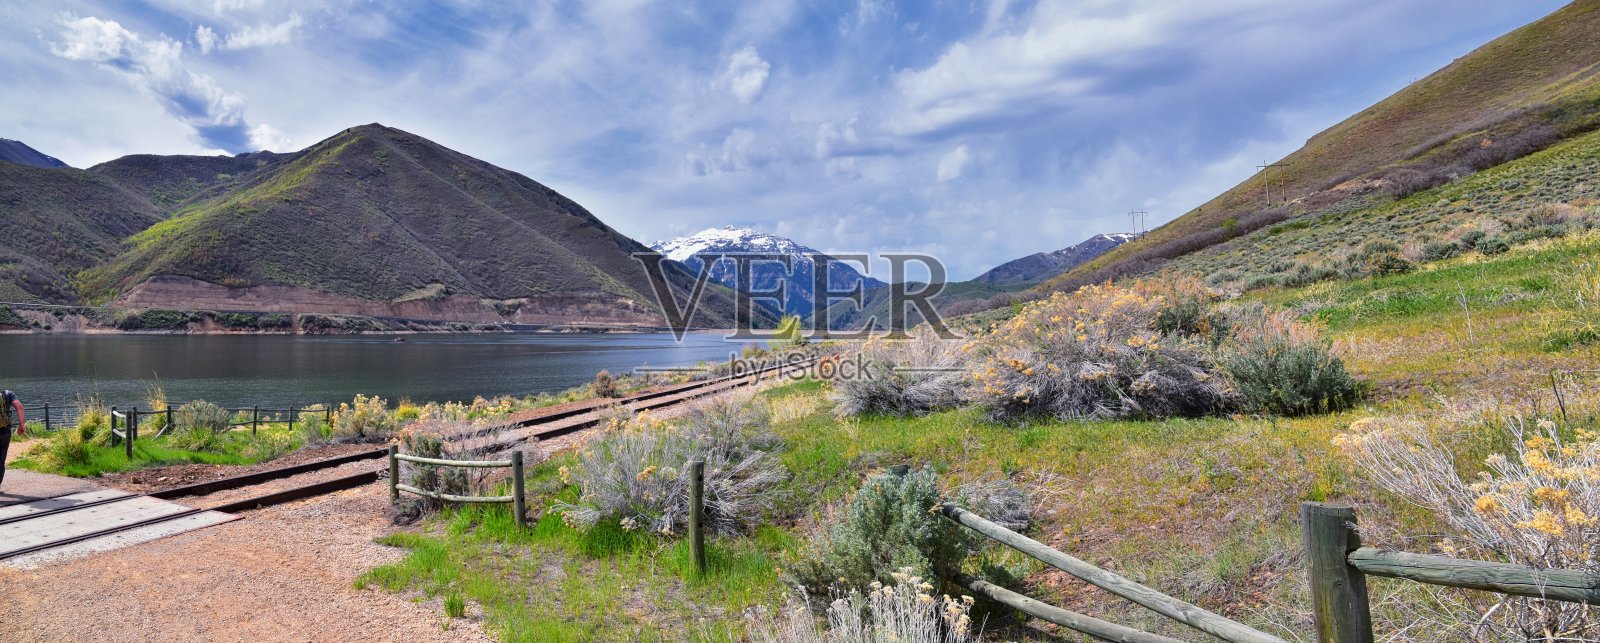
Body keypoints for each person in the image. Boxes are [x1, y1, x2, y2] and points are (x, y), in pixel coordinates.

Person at [0, 390, 23, 489]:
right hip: (5, 431)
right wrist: (21, 425)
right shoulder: (6, 394)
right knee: (1, 460)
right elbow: (19, 407)